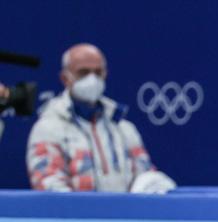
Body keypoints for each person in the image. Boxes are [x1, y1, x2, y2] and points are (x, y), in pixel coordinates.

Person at [27, 43, 175, 193]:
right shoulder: (48, 129)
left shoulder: (123, 127)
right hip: (77, 215)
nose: (92, 79)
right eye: (83, 73)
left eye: (98, 72)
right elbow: (49, 186)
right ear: (65, 78)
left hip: (126, 215)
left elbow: (145, 176)